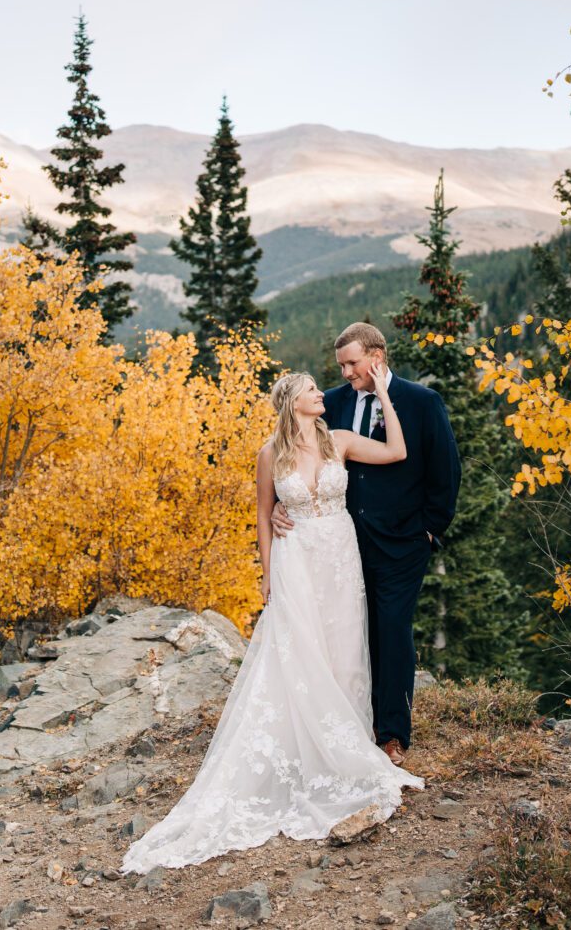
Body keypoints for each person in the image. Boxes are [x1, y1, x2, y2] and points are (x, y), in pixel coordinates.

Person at [120, 364, 423, 874]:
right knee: (301, 648)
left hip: (339, 555)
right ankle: (308, 750)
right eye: (310, 390)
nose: (320, 394)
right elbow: (264, 515)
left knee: (345, 647)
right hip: (295, 556)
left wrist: (386, 398)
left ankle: (346, 742)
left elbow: (397, 451)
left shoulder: (341, 441)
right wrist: (266, 576)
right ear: (292, 403)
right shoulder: (270, 454)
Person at [272, 322, 460, 766]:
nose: (345, 372)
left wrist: (429, 530)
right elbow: (296, 460)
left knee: (392, 630)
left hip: (402, 543)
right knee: (347, 632)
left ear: (376, 358)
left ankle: (391, 734)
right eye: (340, 365)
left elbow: (445, 470)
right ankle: (343, 722)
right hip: (338, 545)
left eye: (351, 363)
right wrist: (283, 505)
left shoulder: (420, 402)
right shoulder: (330, 405)